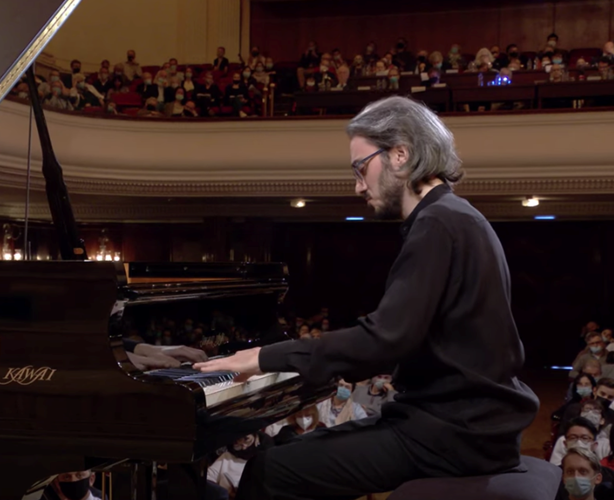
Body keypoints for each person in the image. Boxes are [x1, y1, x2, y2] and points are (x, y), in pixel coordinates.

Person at [194, 96, 540, 500]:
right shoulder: (454, 217)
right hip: (460, 423)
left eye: (361, 168)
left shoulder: (439, 224)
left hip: (452, 433)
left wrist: (263, 358)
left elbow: (383, 340)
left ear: (400, 155)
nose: (358, 185)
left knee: (272, 470)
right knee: (288, 451)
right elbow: (401, 338)